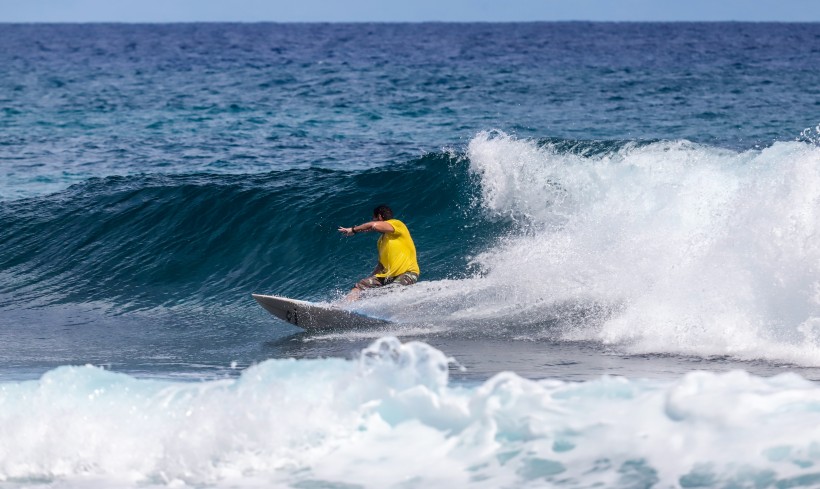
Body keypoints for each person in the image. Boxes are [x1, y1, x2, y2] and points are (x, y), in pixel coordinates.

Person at [338, 204, 420, 301]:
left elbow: (373, 225)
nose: (373, 219)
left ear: (380, 217)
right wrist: (370, 279)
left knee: (393, 290)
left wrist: (353, 230)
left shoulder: (397, 224)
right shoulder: (381, 241)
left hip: (407, 273)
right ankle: (344, 306)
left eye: (374, 217)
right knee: (359, 286)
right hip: (387, 276)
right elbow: (381, 265)